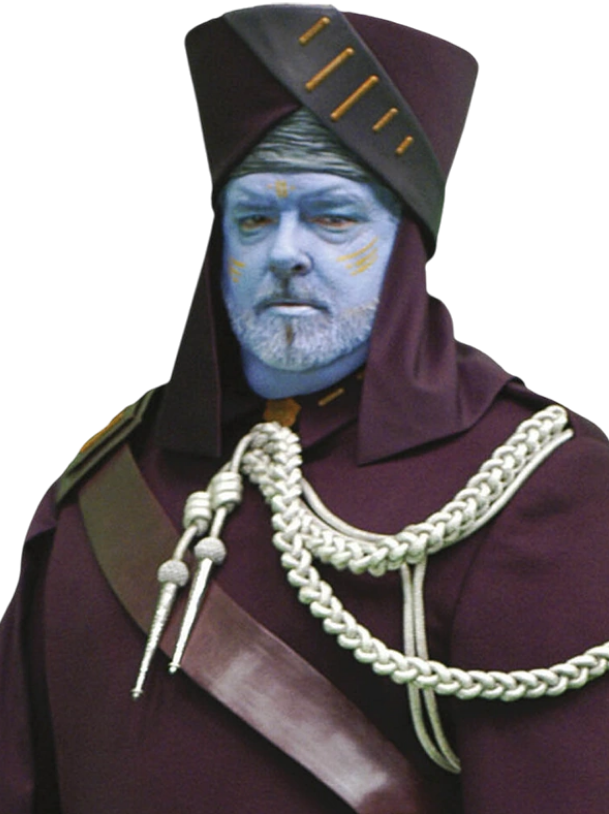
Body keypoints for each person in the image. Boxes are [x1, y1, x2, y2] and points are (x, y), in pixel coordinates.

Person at [1, 5, 609, 813]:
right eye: (254, 218)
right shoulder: (107, 484)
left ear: (403, 245)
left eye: (333, 217)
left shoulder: (541, 488)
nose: (285, 251)